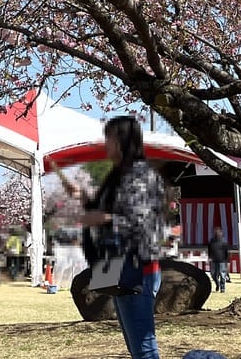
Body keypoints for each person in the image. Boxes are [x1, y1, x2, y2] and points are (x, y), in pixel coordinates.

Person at [74, 116, 166, 359]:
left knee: (144, 348)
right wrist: (86, 200)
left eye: (110, 138)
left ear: (123, 140)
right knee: (137, 348)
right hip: (118, 265)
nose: (106, 144)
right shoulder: (119, 175)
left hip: (138, 268)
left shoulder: (141, 175)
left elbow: (142, 223)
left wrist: (103, 219)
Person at [207, 227, 230, 294]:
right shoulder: (212, 241)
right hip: (214, 260)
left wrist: (227, 261)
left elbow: (226, 252)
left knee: (222, 275)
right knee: (213, 274)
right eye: (215, 232)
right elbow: (209, 250)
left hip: (222, 260)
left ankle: (222, 288)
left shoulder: (224, 242)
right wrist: (209, 257)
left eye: (218, 232)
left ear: (221, 233)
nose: (217, 233)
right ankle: (217, 284)